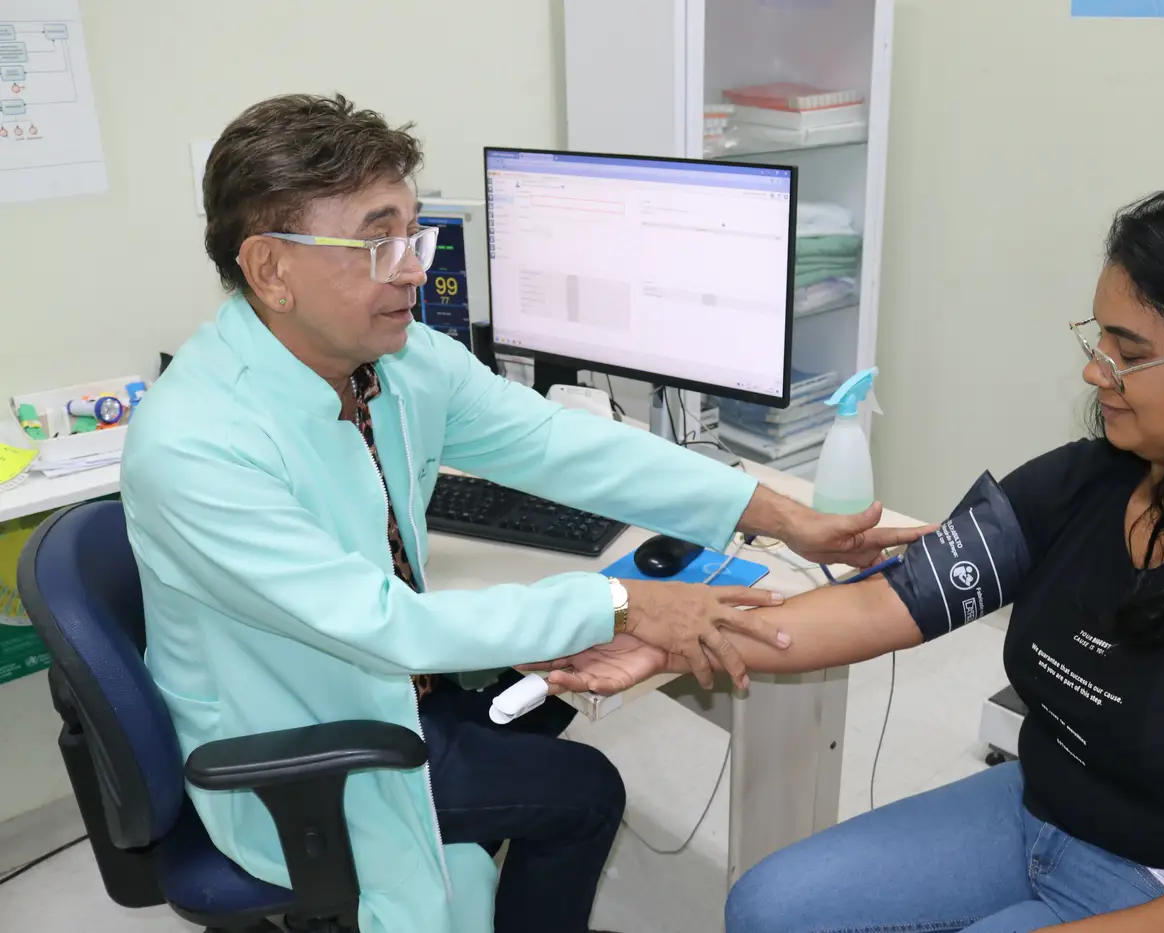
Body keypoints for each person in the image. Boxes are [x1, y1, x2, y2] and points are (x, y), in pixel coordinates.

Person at [119, 93, 927, 933]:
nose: (413, 269)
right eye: (377, 242)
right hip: (304, 744)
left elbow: (558, 443)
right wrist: (622, 602)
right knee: (585, 793)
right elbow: (385, 625)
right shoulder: (195, 444)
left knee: (564, 683)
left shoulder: (395, 362)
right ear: (270, 270)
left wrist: (779, 513)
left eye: (413, 235)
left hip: (393, 680)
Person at [539, 181, 1164, 933]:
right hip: (1037, 806)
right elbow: (884, 600)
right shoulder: (1089, 481)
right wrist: (679, 637)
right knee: (770, 906)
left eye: (1131, 354)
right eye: (1098, 340)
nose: (1096, 372)